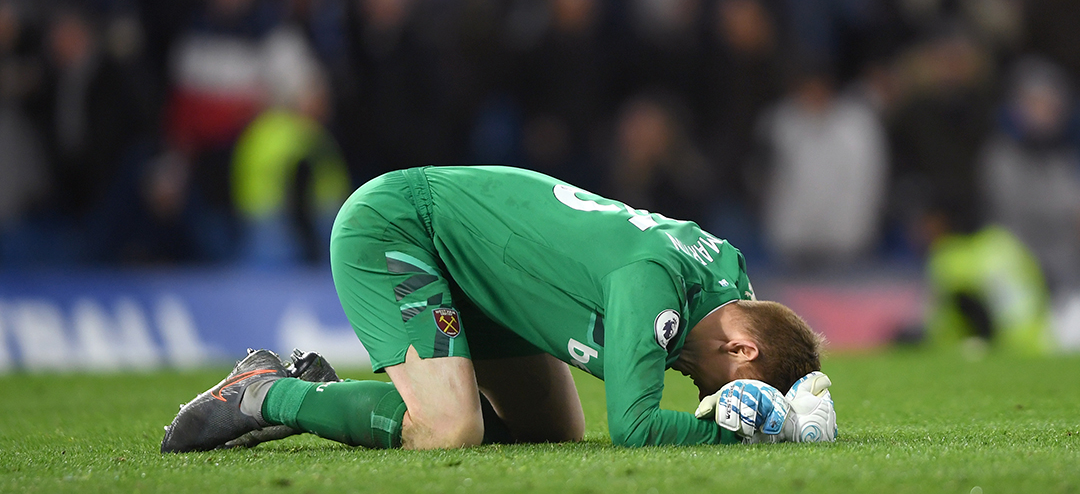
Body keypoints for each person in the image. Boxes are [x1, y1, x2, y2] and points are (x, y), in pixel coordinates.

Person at [162, 166, 830, 452]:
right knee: (450, 430)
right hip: (403, 228)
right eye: (718, 385)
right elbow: (633, 427)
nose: (700, 387)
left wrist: (794, 393)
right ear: (742, 348)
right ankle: (265, 393)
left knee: (552, 432)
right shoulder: (653, 283)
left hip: (483, 274)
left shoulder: (726, 273)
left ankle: (346, 401)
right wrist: (744, 435)